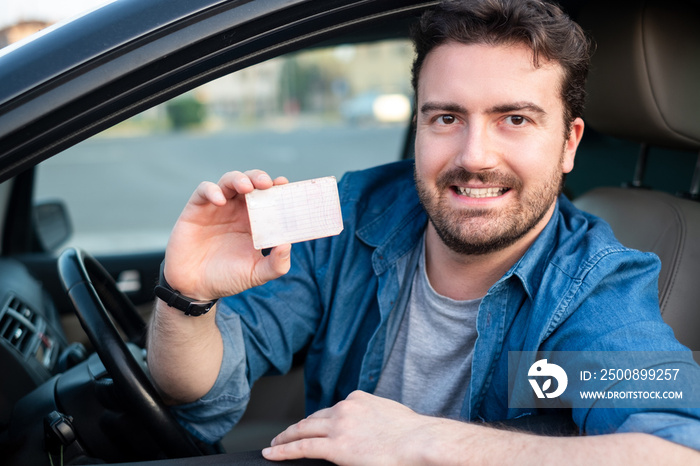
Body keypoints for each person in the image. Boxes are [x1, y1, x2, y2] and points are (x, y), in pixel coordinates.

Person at [147, 0, 700, 463]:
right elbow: (206, 390)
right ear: (419, 125)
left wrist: (422, 439)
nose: (474, 156)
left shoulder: (592, 284)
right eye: (447, 118)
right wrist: (186, 297)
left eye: (515, 119)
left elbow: (677, 451)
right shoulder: (350, 208)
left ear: (569, 144)